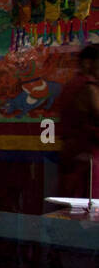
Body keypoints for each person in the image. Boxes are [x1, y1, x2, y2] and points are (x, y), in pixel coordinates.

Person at [58, 44, 99, 200]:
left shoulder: (70, 85)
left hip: (71, 155)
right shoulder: (88, 88)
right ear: (88, 63)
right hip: (89, 159)